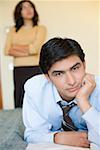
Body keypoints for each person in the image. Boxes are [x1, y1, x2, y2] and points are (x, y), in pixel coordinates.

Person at [22, 37, 100, 148]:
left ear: (84, 65)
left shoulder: (98, 88)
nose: (71, 81)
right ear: (47, 77)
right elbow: (32, 134)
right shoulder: (35, 89)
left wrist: (83, 101)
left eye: (75, 68)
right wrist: (58, 137)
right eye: (59, 74)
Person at [4, 0, 47, 107]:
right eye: (24, 7)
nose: (28, 9)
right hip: (19, 69)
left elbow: (35, 49)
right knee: (20, 98)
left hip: (35, 68)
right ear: (19, 12)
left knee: (36, 97)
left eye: (30, 6)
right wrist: (28, 48)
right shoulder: (13, 30)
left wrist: (15, 48)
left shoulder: (40, 29)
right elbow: (6, 50)